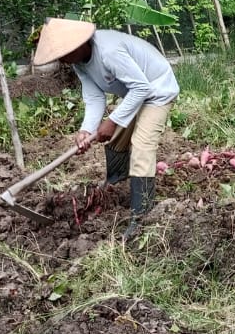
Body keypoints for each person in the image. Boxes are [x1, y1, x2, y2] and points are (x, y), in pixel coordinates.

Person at [32, 18, 179, 239]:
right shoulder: (78, 63)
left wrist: (112, 121)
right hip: (136, 93)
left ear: (79, 44)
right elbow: (93, 97)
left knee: (142, 146)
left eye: (63, 54)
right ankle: (116, 184)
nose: (62, 61)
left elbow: (142, 87)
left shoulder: (108, 51)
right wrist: (86, 129)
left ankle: (141, 216)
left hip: (158, 90)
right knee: (116, 139)